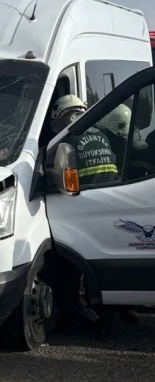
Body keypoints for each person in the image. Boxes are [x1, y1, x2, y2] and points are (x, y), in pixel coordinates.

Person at [50, 95, 118, 339]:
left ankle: (69, 322)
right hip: (113, 201)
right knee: (103, 269)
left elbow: (60, 177)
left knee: (70, 270)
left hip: (84, 208)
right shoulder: (100, 133)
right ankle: (107, 323)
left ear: (59, 117)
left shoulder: (67, 139)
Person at [50, 94, 119, 185]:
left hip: (84, 195)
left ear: (58, 121)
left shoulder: (65, 144)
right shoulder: (103, 136)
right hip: (113, 189)